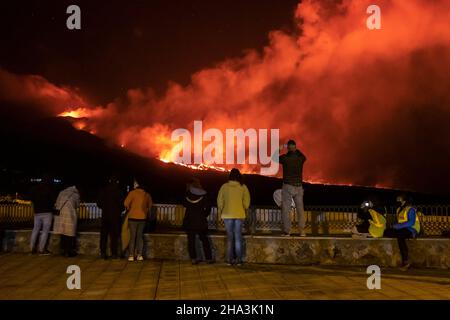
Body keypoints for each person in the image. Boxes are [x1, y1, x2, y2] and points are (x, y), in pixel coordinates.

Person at [217, 168, 250, 266]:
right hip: (239, 214)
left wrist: (220, 211)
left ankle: (229, 260)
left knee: (230, 237)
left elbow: (219, 201)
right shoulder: (243, 187)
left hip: (227, 215)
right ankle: (239, 260)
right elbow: (247, 202)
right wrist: (244, 207)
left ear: (230, 176)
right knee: (238, 237)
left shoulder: (224, 186)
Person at [276, 140, 307, 237]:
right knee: (300, 209)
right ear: (295, 147)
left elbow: (274, 158)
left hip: (288, 186)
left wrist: (280, 148)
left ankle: (287, 231)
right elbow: (304, 157)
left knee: (286, 209)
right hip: (298, 186)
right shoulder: (300, 158)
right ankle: (302, 230)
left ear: (288, 148)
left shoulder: (285, 158)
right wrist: (295, 149)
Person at [384, 194, 421, 271]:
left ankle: (405, 261)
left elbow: (411, 222)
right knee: (387, 232)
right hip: (403, 229)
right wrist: (394, 226)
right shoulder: (399, 209)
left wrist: (397, 226)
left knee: (400, 236)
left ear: (405, 201)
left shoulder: (410, 209)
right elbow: (400, 222)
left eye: (399, 199)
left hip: (412, 229)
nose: (398, 200)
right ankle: (405, 262)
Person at [182, 178, 213, 264]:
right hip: (201, 221)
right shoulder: (204, 194)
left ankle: (193, 258)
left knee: (191, 240)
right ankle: (209, 258)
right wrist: (203, 215)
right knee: (204, 240)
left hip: (189, 220)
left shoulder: (187, 194)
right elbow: (208, 208)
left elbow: (184, 204)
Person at [124, 178, 152, 262]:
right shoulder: (147, 195)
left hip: (132, 218)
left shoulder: (132, 193)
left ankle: (131, 256)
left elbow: (125, 203)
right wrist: (146, 211)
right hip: (142, 218)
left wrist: (130, 208)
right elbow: (150, 205)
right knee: (140, 237)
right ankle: (140, 255)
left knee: (132, 237)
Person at [28, 174, 57, 255]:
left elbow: (31, 198)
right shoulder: (49, 189)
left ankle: (31, 249)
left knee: (35, 230)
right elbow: (53, 200)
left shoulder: (35, 189)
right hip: (47, 212)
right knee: (45, 231)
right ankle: (41, 249)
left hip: (37, 212)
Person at [97, 175, 124, 260]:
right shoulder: (119, 192)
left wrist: (105, 208)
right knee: (114, 236)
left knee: (104, 236)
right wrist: (118, 210)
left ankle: (103, 253)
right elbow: (122, 205)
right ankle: (114, 254)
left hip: (105, 216)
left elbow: (99, 203)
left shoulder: (104, 190)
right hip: (115, 217)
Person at [53, 183, 80, 257]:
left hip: (61, 216)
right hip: (70, 216)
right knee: (69, 234)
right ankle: (69, 251)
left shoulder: (61, 192)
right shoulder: (75, 195)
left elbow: (56, 203)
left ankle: (63, 250)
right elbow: (77, 205)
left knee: (63, 233)